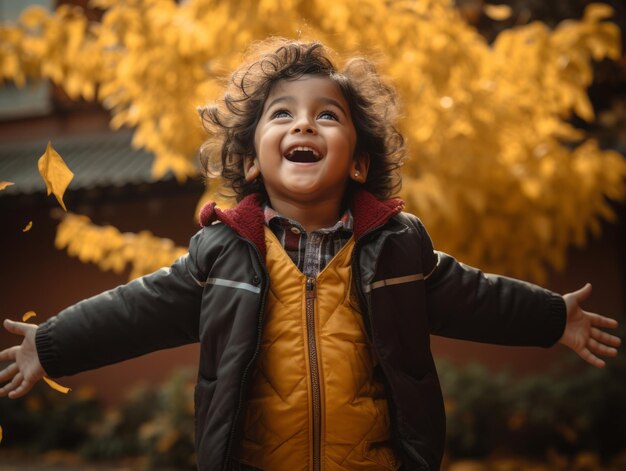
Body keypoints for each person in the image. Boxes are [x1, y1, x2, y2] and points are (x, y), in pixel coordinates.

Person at [0, 38, 621, 471]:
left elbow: (475, 295)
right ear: (249, 160)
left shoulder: (398, 248)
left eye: (327, 115)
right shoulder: (222, 254)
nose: (303, 126)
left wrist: (551, 318)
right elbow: (133, 310)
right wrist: (47, 345)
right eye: (282, 115)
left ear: (357, 160)